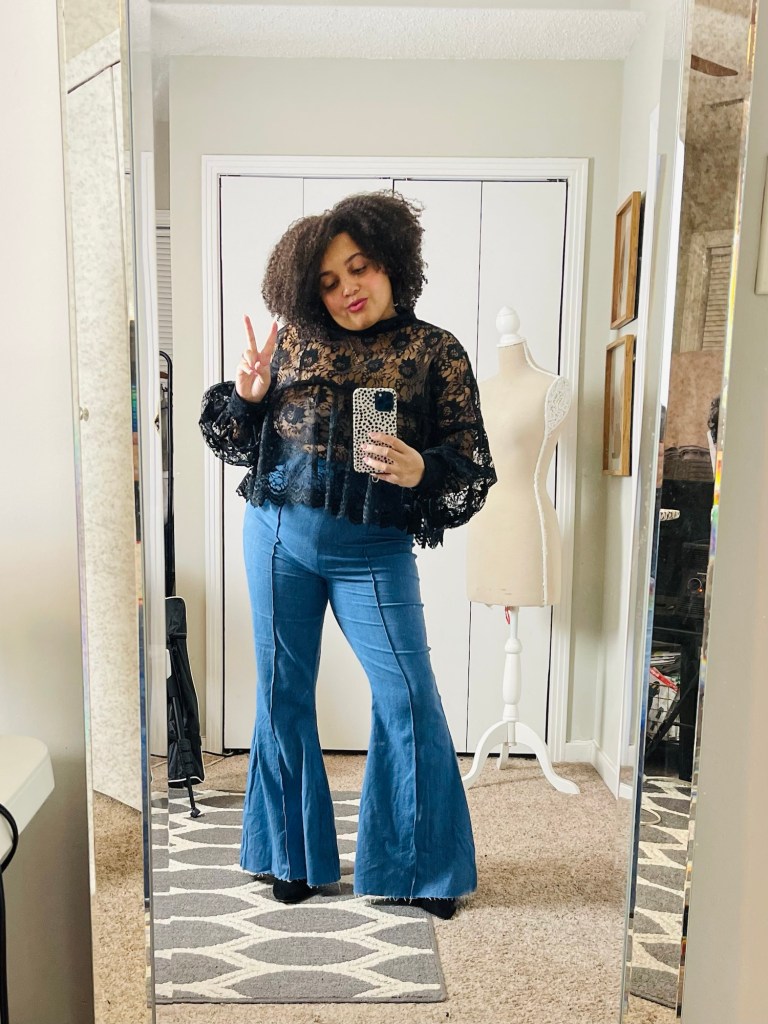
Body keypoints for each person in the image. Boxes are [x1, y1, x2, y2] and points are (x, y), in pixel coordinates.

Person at [199, 191, 497, 919]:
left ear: (391, 262)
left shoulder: (434, 351)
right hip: (278, 536)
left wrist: (421, 469)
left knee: (407, 694)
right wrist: (247, 398)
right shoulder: (294, 342)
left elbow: (471, 462)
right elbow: (235, 442)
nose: (346, 290)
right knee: (282, 691)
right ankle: (290, 857)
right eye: (329, 281)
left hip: (373, 549)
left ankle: (420, 867)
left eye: (358, 268)